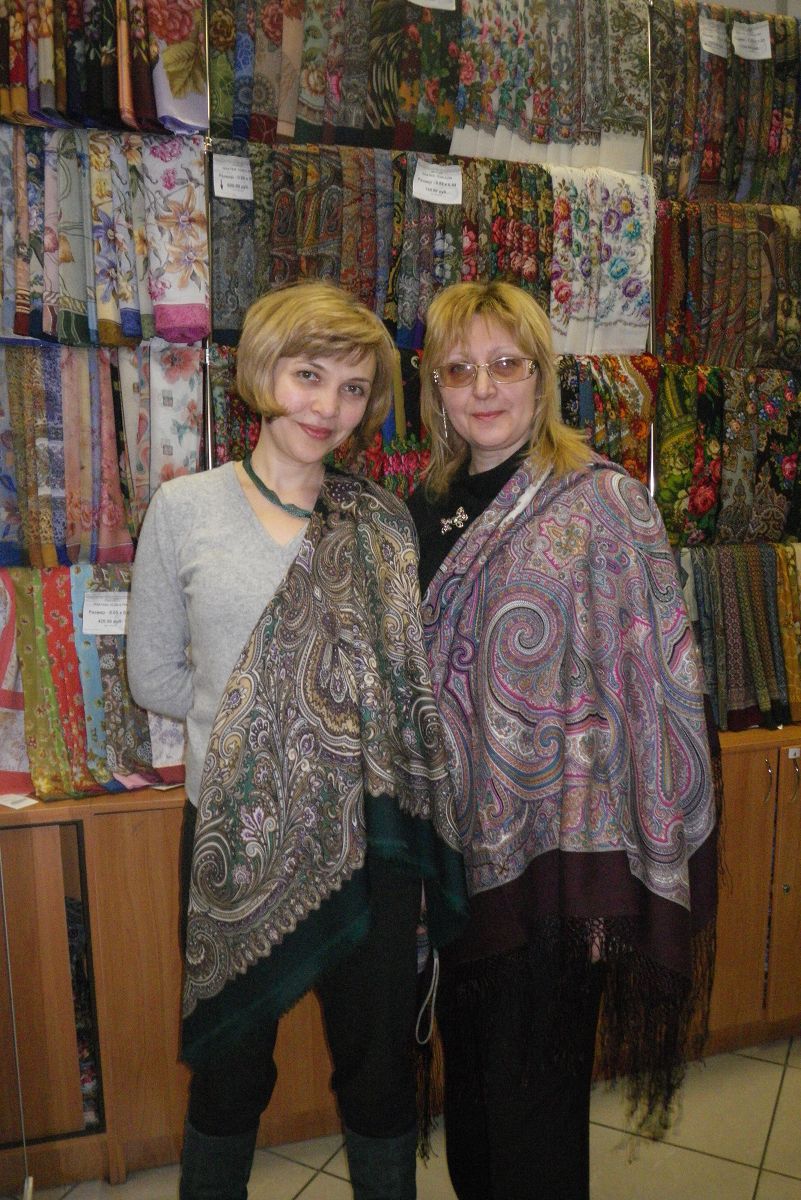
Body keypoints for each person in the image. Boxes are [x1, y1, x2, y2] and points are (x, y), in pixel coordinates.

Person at [126, 280, 467, 1200]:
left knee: (378, 1067)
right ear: (262, 371)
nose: (328, 407)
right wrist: (259, 734)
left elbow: (399, 688)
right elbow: (152, 675)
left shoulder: (382, 522)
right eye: (308, 375)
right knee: (230, 1070)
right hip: (235, 836)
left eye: (353, 388)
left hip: (368, 841)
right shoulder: (185, 509)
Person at [407, 281, 718, 1200]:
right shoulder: (418, 509)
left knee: (535, 1116)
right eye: (459, 369)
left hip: (561, 874)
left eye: (505, 364)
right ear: (435, 389)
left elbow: (656, 685)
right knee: (472, 1102)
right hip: (453, 860)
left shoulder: (604, 504)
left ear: (541, 380)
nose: (483, 387)